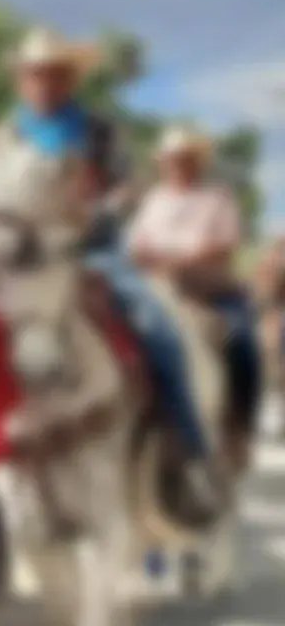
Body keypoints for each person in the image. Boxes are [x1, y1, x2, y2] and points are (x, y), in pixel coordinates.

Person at [3, 26, 219, 518]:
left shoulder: (97, 132)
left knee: (158, 328)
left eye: (54, 73)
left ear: (67, 78)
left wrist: (89, 216)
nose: (44, 82)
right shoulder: (10, 137)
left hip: (92, 252)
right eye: (36, 73)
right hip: (24, 256)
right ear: (25, 79)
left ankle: (187, 455)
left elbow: (127, 188)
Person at [127, 124, 260, 466]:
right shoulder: (154, 202)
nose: (178, 165)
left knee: (242, 341)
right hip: (160, 290)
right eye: (173, 159)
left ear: (196, 163)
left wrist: (181, 261)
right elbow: (137, 246)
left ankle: (238, 429)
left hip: (210, 291)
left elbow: (224, 246)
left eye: (185, 159)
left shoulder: (216, 200)